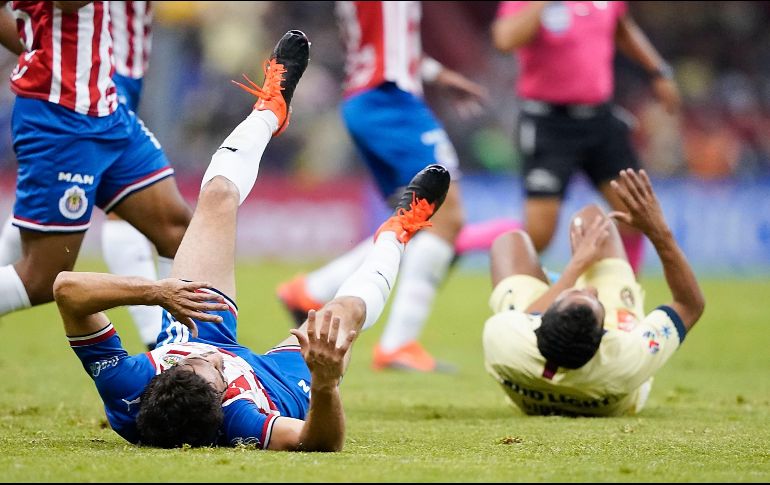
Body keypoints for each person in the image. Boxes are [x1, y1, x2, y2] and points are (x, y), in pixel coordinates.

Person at [54, 29, 452, 450]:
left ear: (160, 379)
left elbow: (66, 290)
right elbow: (318, 443)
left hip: (202, 327)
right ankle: (399, 231)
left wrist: (157, 291)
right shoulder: (244, 419)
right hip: (280, 384)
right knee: (344, 314)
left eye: (186, 365)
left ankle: (270, 109)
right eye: (212, 369)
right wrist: (325, 384)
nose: (207, 359)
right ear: (223, 397)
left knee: (217, 197)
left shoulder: (129, 387)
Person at [277, 0, 494, 373]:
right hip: (388, 98)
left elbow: (388, 42)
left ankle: (314, 288)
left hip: (370, 96)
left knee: (418, 221)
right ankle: (397, 345)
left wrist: (436, 73)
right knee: (445, 216)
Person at [0, 1, 191, 324]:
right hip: (60, 117)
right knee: (43, 278)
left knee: (179, 232)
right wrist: (39, 52)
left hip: (105, 106)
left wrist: (36, 46)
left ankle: (176, 357)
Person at [482, 168, 705, 416]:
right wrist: (660, 233)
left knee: (510, 244)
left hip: (528, 372)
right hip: (610, 380)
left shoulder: (503, 339)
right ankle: (573, 291)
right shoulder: (627, 356)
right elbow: (689, 305)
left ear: (540, 323)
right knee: (593, 220)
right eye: (596, 298)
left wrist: (576, 266)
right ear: (605, 335)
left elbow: (524, 317)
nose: (590, 288)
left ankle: (559, 286)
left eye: (581, 292)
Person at [491, 1, 682, 275]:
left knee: (635, 214)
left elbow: (622, 28)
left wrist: (658, 71)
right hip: (549, 123)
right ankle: (465, 241)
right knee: (539, 234)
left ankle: (620, 301)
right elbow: (504, 39)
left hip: (600, 120)